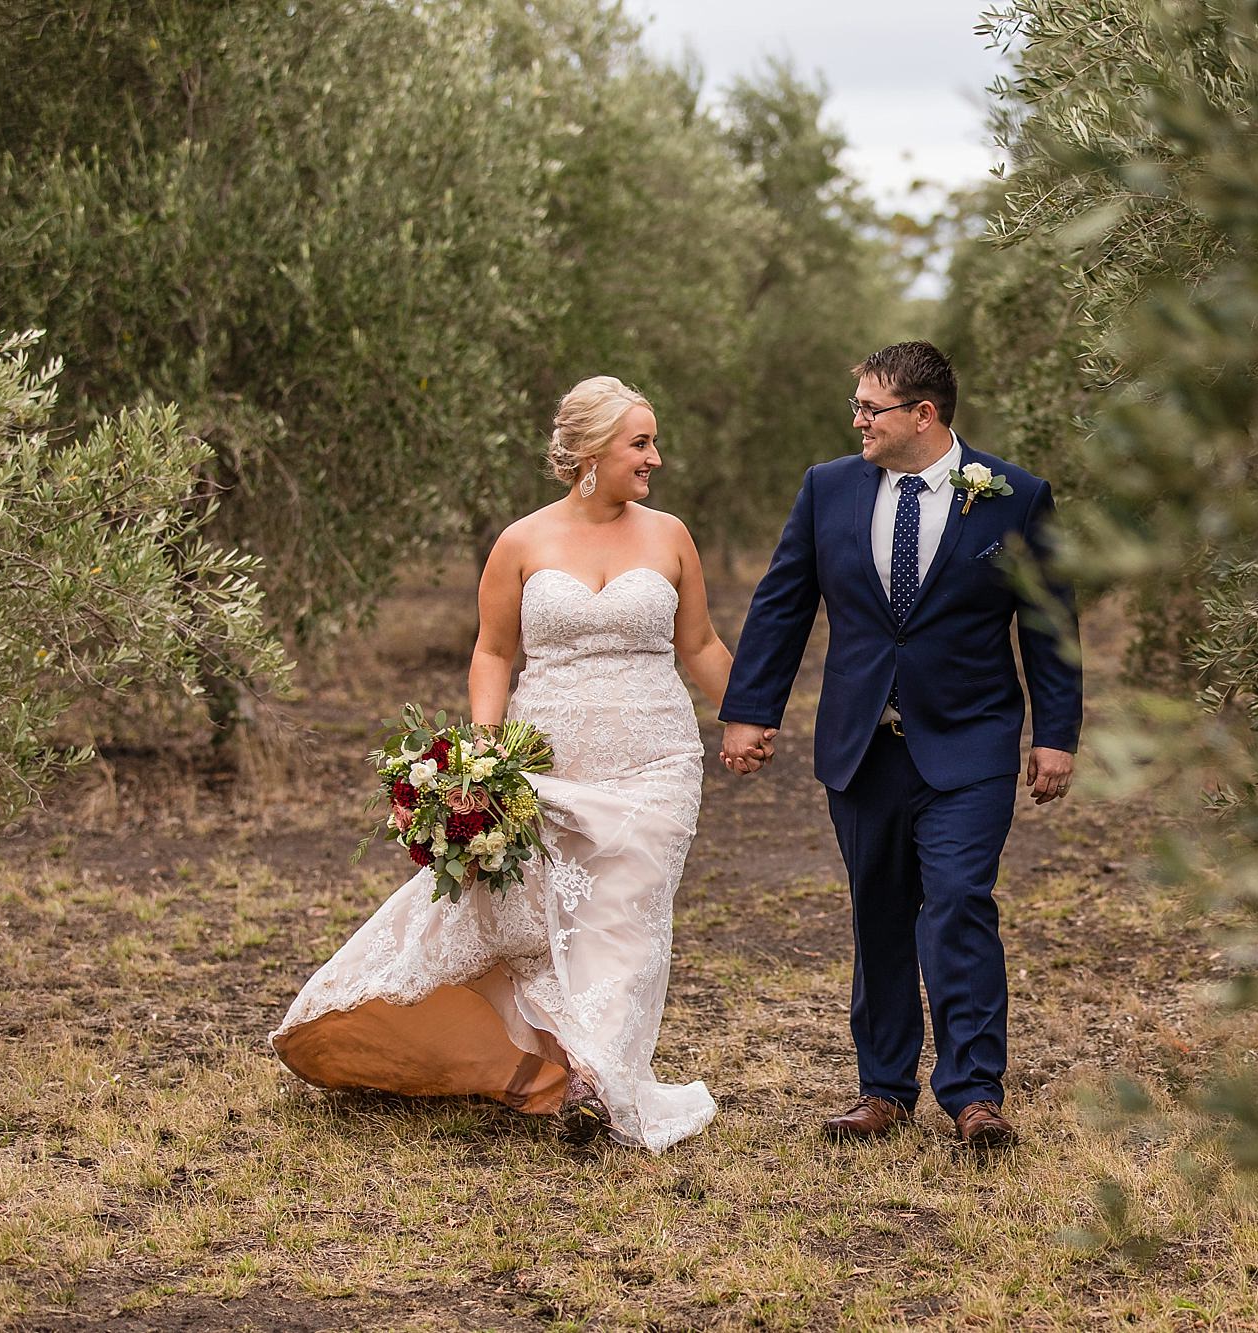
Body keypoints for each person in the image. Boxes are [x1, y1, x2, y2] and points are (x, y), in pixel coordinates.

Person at [271, 376, 728, 1153]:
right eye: (641, 442)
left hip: (656, 759)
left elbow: (701, 645)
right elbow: (492, 651)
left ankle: (595, 1078)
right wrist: (481, 755)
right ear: (591, 453)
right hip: (545, 761)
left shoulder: (671, 536)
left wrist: (752, 716)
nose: (656, 457)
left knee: (626, 915)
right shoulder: (521, 542)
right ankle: (563, 1067)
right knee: (540, 920)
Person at [719, 340, 1082, 1153]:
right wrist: (750, 710)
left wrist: (1055, 734)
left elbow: (1049, 622)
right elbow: (783, 603)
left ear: (923, 414)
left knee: (958, 904)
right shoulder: (828, 488)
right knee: (878, 910)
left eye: (869, 408)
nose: (856, 421)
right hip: (863, 746)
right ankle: (883, 1088)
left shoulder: (1015, 496)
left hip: (970, 741)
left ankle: (974, 1093)